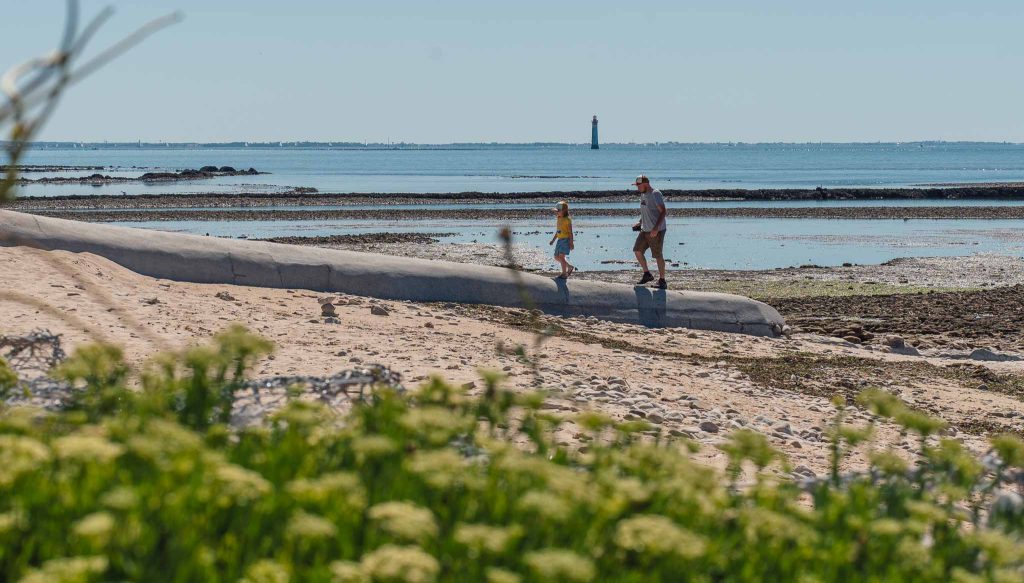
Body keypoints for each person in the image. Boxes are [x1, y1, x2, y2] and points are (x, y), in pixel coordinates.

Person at [631, 175, 668, 289]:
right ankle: (647, 274)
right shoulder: (643, 194)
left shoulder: (655, 194)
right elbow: (646, 211)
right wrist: (640, 221)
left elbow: (663, 212)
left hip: (656, 230)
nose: (637, 187)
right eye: (636, 185)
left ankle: (662, 281)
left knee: (657, 255)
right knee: (637, 250)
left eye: (638, 185)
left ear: (645, 184)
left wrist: (656, 228)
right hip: (645, 229)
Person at [549, 200, 576, 278]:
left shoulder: (567, 220)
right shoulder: (559, 219)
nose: (557, 213)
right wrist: (553, 240)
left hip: (565, 240)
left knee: (561, 256)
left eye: (558, 211)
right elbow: (558, 231)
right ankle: (569, 267)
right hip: (559, 240)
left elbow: (570, 232)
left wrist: (571, 243)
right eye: (556, 211)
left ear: (564, 211)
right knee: (556, 257)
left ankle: (564, 273)